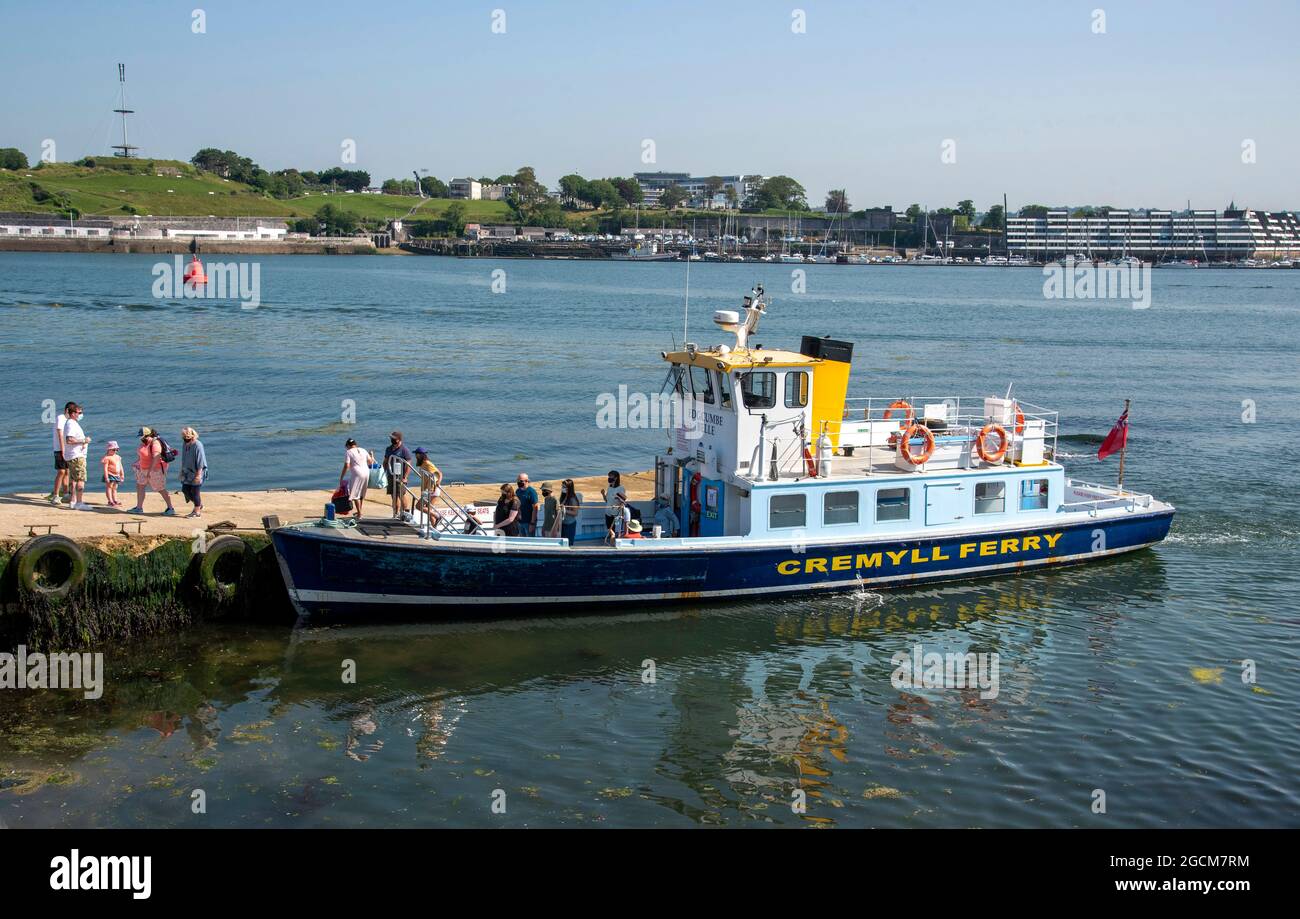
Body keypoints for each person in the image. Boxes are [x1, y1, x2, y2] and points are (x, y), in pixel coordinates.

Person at [129, 427, 175, 515]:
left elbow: (156, 458)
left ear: (148, 435)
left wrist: (150, 471)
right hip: (143, 469)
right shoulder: (143, 443)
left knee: (160, 488)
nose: (141, 439)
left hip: (155, 470)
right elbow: (142, 455)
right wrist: (137, 463)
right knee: (140, 486)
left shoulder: (155, 443)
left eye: (143, 437)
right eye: (140, 437)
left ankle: (170, 508)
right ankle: (139, 508)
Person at [61, 404, 92, 510]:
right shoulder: (71, 424)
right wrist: (84, 440)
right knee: (80, 479)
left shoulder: (72, 423)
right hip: (77, 456)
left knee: (74, 479)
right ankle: (79, 502)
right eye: (79, 413)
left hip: (74, 455)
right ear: (73, 413)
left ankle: (73, 501)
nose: (81, 415)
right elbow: (69, 440)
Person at [48, 400, 75, 505]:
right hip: (59, 449)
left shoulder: (70, 420)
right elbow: (60, 434)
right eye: (72, 411)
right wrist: (63, 449)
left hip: (68, 449)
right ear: (67, 410)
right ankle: (55, 495)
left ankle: (66, 493)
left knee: (67, 471)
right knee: (61, 471)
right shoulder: (60, 418)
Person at [384, 430, 414, 522]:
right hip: (390, 475)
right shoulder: (388, 449)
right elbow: (385, 461)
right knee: (393, 495)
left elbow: (409, 464)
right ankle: (395, 513)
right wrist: (383, 473)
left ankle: (406, 513)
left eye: (393, 439)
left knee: (401, 495)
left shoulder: (404, 450)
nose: (391, 440)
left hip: (400, 476)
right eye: (391, 438)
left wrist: (405, 477)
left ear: (399, 439)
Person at [341, 438, 374, 521]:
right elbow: (370, 462)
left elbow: (347, 466)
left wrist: (342, 476)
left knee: (355, 494)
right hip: (366, 472)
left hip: (357, 474)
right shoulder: (363, 450)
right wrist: (372, 455)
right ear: (355, 444)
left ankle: (359, 514)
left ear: (348, 445)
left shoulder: (348, 452)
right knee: (361, 493)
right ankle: (360, 511)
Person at [179, 427, 207, 519]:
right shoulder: (185, 444)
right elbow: (184, 458)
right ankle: (198, 505)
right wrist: (181, 471)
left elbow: (201, 461)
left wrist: (198, 475)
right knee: (185, 490)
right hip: (187, 472)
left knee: (195, 491)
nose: (184, 437)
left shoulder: (197, 445)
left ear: (191, 435)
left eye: (186, 436)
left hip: (197, 471)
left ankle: (197, 512)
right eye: (183, 436)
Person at [413, 447, 442, 517]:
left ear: (420, 455)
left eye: (416, 454)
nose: (415, 456)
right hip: (428, 490)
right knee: (429, 511)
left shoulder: (427, 463)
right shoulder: (423, 464)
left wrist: (439, 481)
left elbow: (439, 473)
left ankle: (437, 516)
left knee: (419, 506)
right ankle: (435, 525)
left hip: (432, 490)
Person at [101, 440, 125, 507]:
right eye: (113, 450)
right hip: (110, 474)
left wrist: (122, 474)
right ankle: (110, 501)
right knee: (109, 487)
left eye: (117, 450)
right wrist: (106, 477)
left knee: (115, 488)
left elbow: (120, 466)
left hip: (117, 474)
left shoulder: (118, 457)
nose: (115, 451)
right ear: (109, 450)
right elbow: (105, 468)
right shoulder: (107, 458)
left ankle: (115, 500)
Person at [559, 478, 582, 545]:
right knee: (562, 542)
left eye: (564, 487)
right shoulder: (564, 497)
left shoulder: (572, 499)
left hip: (569, 524)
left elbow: (575, 513)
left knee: (569, 543)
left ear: (569, 488)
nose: (562, 488)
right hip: (563, 523)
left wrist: (565, 510)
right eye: (562, 486)